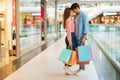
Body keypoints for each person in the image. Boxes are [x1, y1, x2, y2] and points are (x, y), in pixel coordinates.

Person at [71, 3, 89, 73]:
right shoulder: (76, 16)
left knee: (82, 53)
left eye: (73, 10)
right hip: (76, 37)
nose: (73, 11)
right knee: (79, 54)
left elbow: (86, 27)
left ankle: (82, 69)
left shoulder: (83, 15)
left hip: (81, 37)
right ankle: (80, 68)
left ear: (77, 8)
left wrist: (84, 38)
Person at [63, 8, 77, 75]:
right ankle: (66, 67)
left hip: (71, 37)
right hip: (70, 37)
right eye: (71, 12)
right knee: (70, 53)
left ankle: (66, 67)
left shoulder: (68, 20)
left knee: (69, 53)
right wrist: (70, 41)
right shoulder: (68, 20)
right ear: (68, 13)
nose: (72, 13)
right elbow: (68, 32)